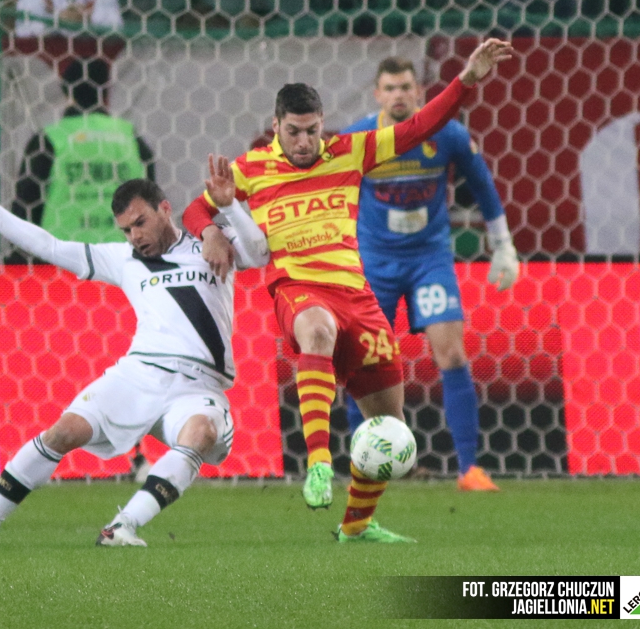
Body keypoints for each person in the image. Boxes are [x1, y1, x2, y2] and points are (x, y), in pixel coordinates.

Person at [182, 38, 514, 543]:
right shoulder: (251, 168)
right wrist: (209, 229)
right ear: (276, 126)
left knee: (391, 431)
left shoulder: (348, 151)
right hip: (298, 288)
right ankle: (319, 462)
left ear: (323, 124)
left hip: (357, 296)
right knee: (316, 331)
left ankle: (357, 524)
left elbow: (420, 127)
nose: (304, 142)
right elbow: (196, 208)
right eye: (293, 132)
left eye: (312, 130)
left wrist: (466, 80)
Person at [0, 177, 269, 546]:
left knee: (201, 434)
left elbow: (259, 254)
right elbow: (49, 246)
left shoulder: (211, 243)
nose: (135, 236)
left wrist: (229, 211)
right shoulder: (123, 260)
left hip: (198, 385)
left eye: (140, 223)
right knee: (62, 432)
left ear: (165, 209)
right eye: (126, 230)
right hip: (139, 374)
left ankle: (122, 527)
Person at [340, 57, 520, 492]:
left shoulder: (447, 133)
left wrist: (503, 245)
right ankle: (363, 466)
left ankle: (469, 469)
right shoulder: (358, 138)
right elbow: (332, 195)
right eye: (390, 88)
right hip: (375, 263)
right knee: (362, 363)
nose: (399, 95)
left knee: (452, 354)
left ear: (419, 92)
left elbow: (483, 186)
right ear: (377, 95)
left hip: (429, 260)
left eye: (406, 86)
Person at [14, 56, 155, 244]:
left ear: (67, 92)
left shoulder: (51, 138)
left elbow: (25, 205)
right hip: (124, 253)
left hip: (62, 255)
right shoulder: (130, 137)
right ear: (106, 91)